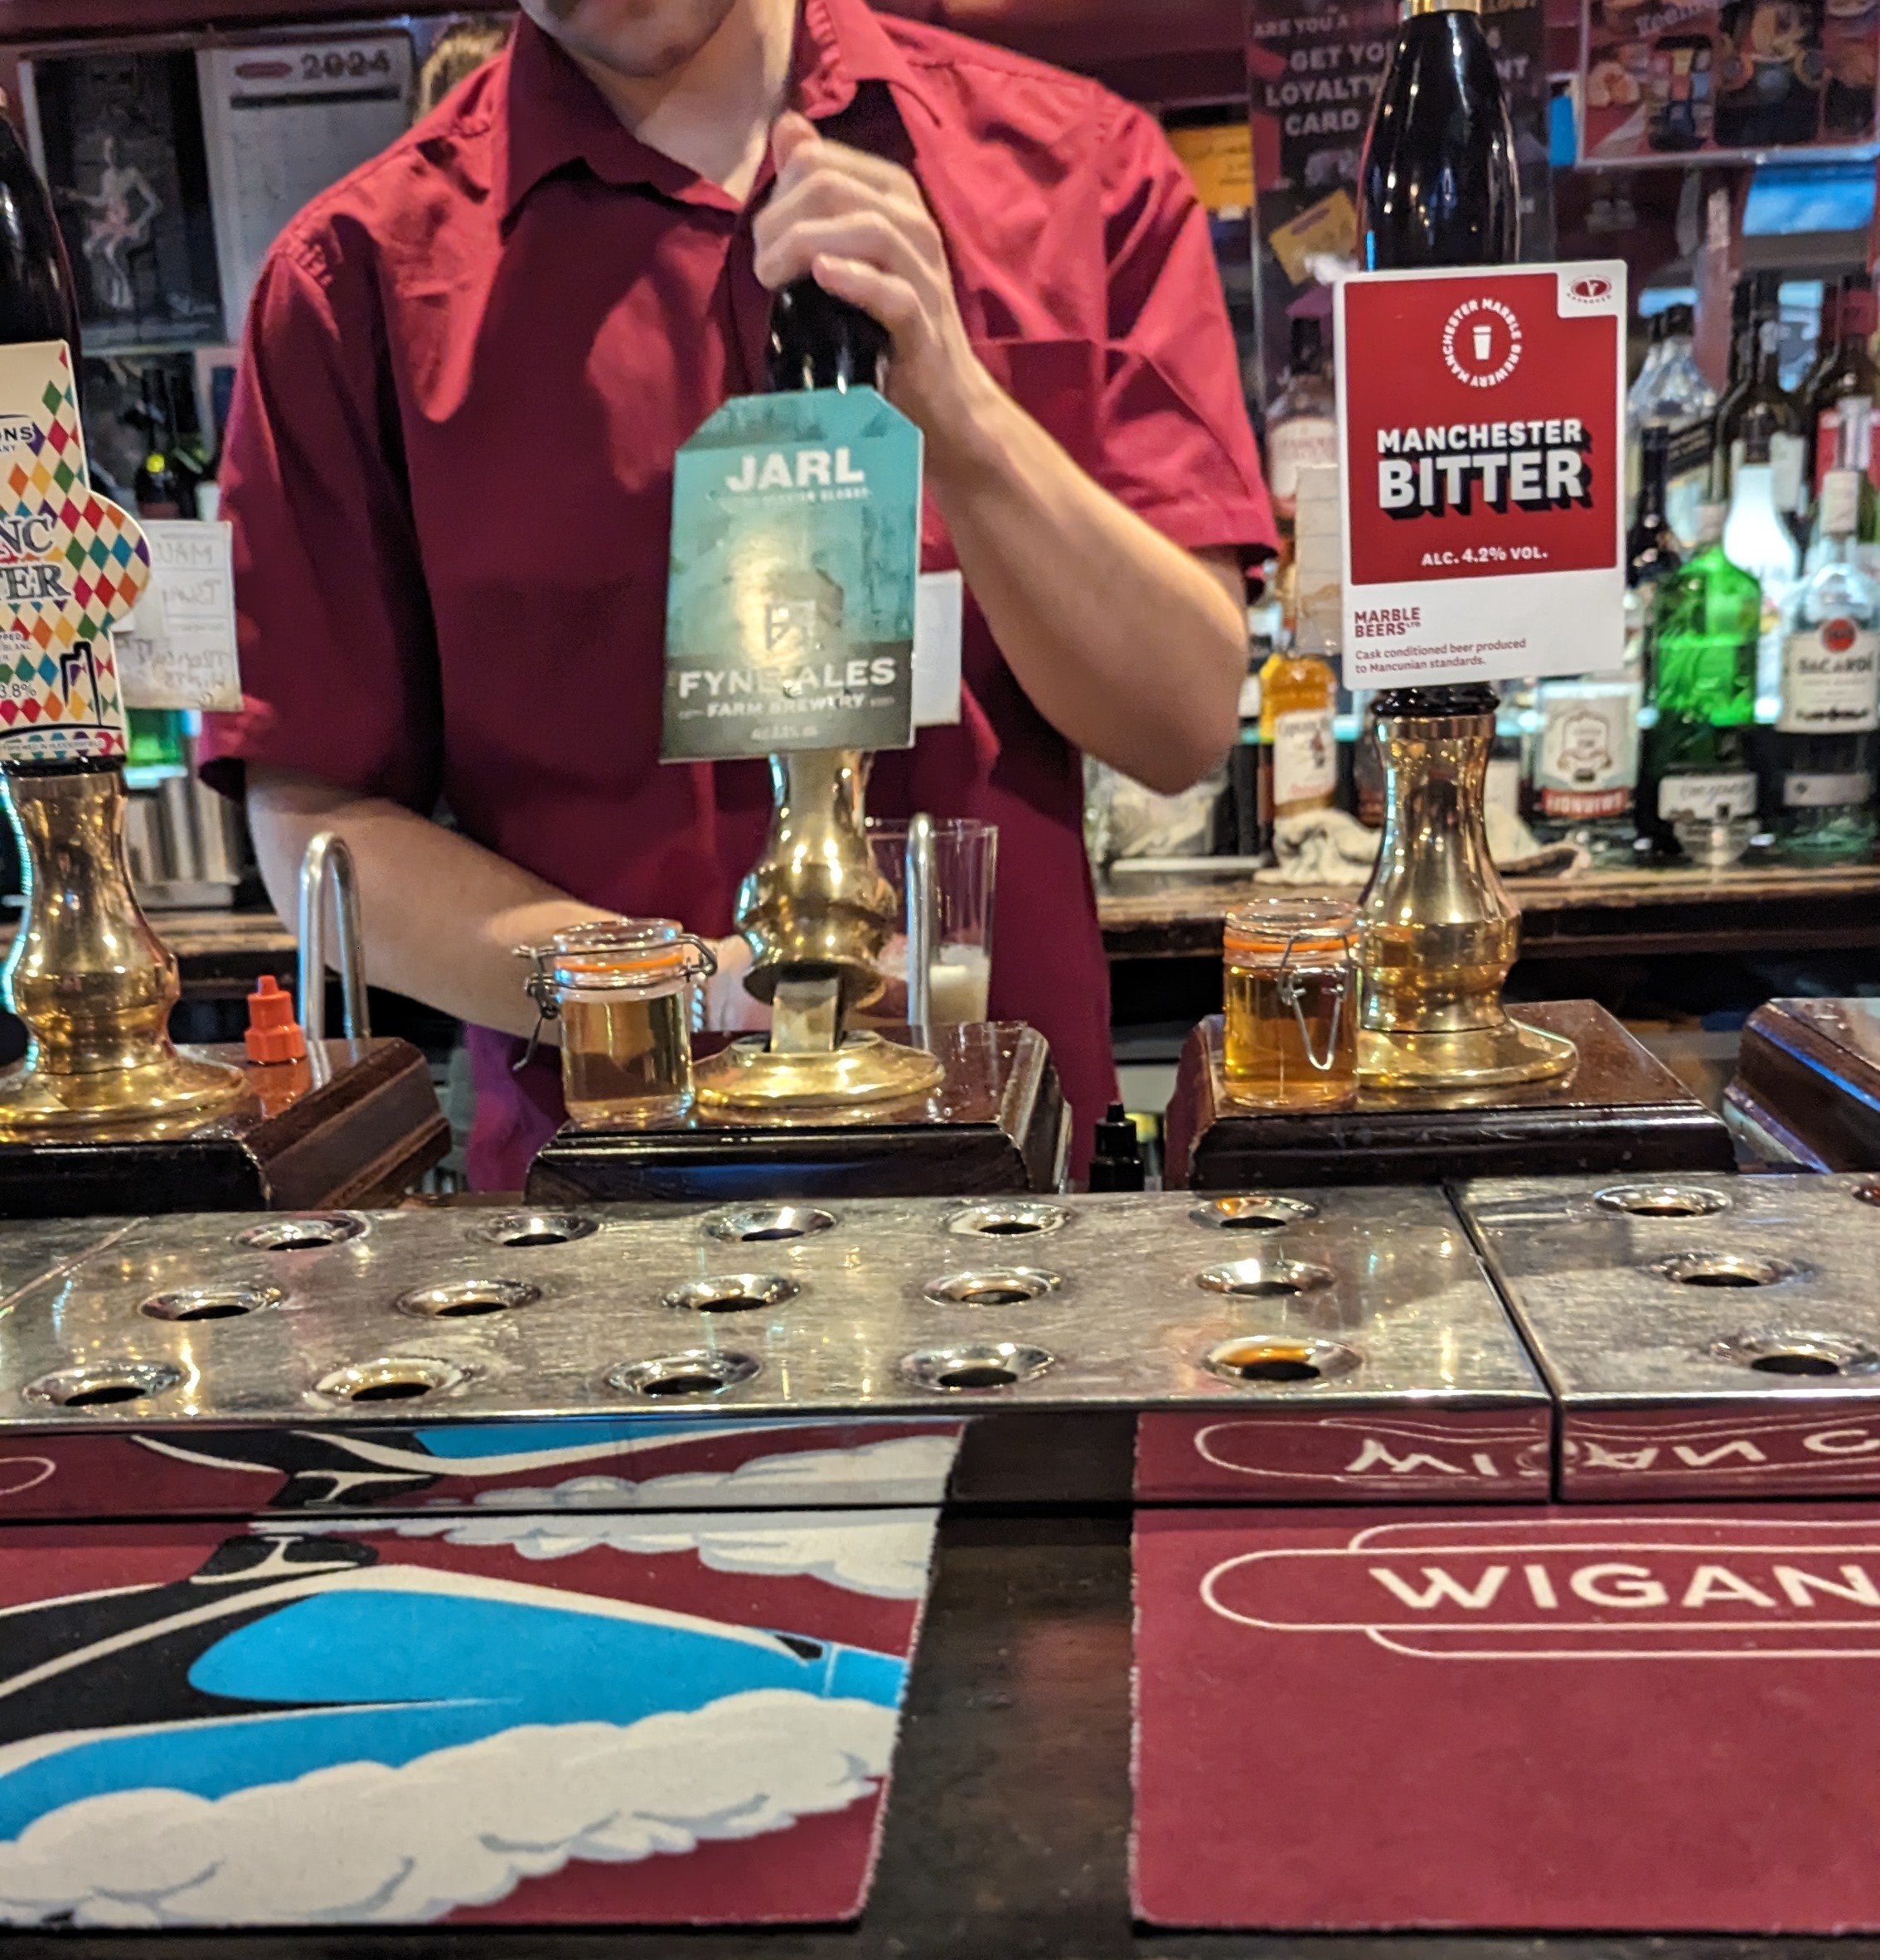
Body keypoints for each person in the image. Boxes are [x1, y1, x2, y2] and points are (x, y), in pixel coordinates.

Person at [201, 0, 1276, 1188]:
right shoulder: (355, 279)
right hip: (602, 1212)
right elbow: (317, 831)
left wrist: (966, 422)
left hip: (1013, 1199)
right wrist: (678, 988)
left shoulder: (1077, 172)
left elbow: (1180, 723)